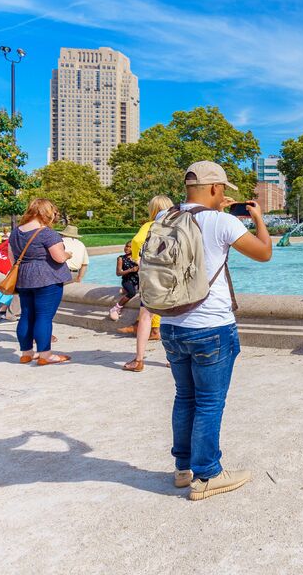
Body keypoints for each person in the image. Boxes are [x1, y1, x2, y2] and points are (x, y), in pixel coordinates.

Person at [156, 161, 272, 501]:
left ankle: (183, 468)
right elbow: (264, 253)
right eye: (222, 190)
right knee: (209, 402)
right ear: (212, 189)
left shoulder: (164, 219)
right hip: (211, 326)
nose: (224, 196)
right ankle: (207, 474)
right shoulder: (222, 221)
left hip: (172, 325)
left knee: (184, 397)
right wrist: (258, 219)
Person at [8, 198, 72, 365]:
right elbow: (58, 258)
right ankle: (45, 355)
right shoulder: (47, 233)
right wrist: (68, 254)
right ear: (47, 213)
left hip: (24, 278)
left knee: (26, 315)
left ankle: (26, 353)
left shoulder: (15, 232)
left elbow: (11, 258)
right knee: (44, 317)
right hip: (47, 279)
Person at [117, 195, 173, 372]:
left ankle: (139, 360)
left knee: (145, 317)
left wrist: (137, 259)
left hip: (151, 276)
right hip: (172, 275)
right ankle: (174, 358)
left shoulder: (149, 225)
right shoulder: (177, 225)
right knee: (173, 317)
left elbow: (136, 241)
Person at [107, 242, 140, 318]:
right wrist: (131, 270)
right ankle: (116, 308)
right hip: (127, 280)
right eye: (126, 246)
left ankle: (125, 290)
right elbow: (118, 273)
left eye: (130, 247)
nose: (127, 248)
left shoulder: (138, 258)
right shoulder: (121, 258)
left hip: (138, 281)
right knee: (132, 293)